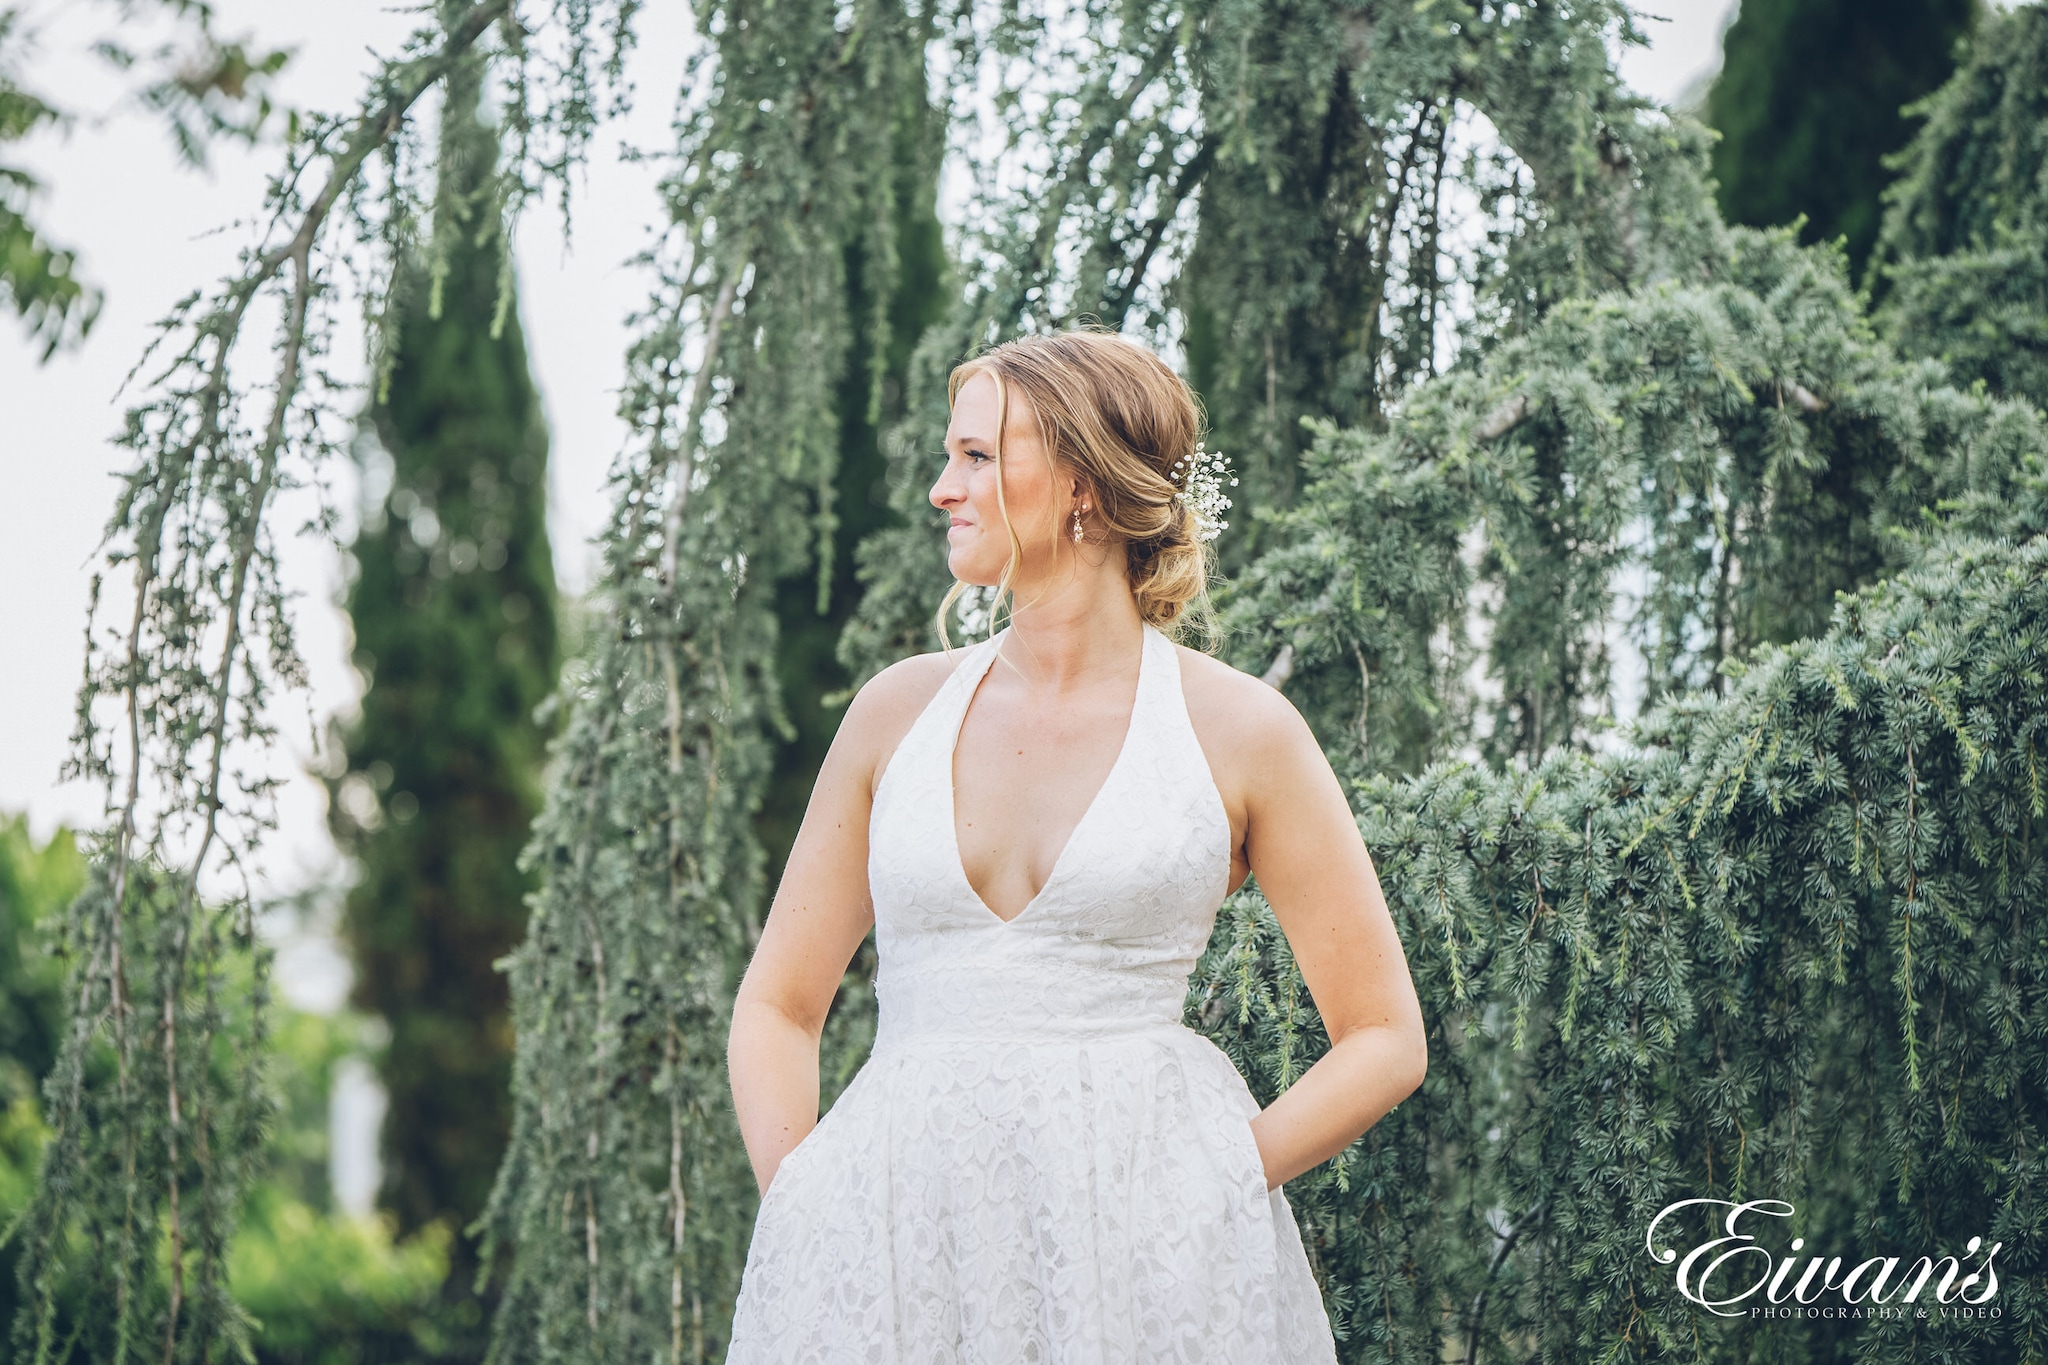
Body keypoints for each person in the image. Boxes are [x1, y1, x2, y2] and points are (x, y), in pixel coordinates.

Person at [724, 329, 1428, 1362]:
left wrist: (1214, 1181)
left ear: (1080, 489)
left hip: (1151, 1273)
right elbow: (778, 1006)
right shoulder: (893, 715)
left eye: (974, 456)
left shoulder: (1240, 731)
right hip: (888, 1257)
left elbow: (1382, 1037)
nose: (939, 487)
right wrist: (805, 1204)